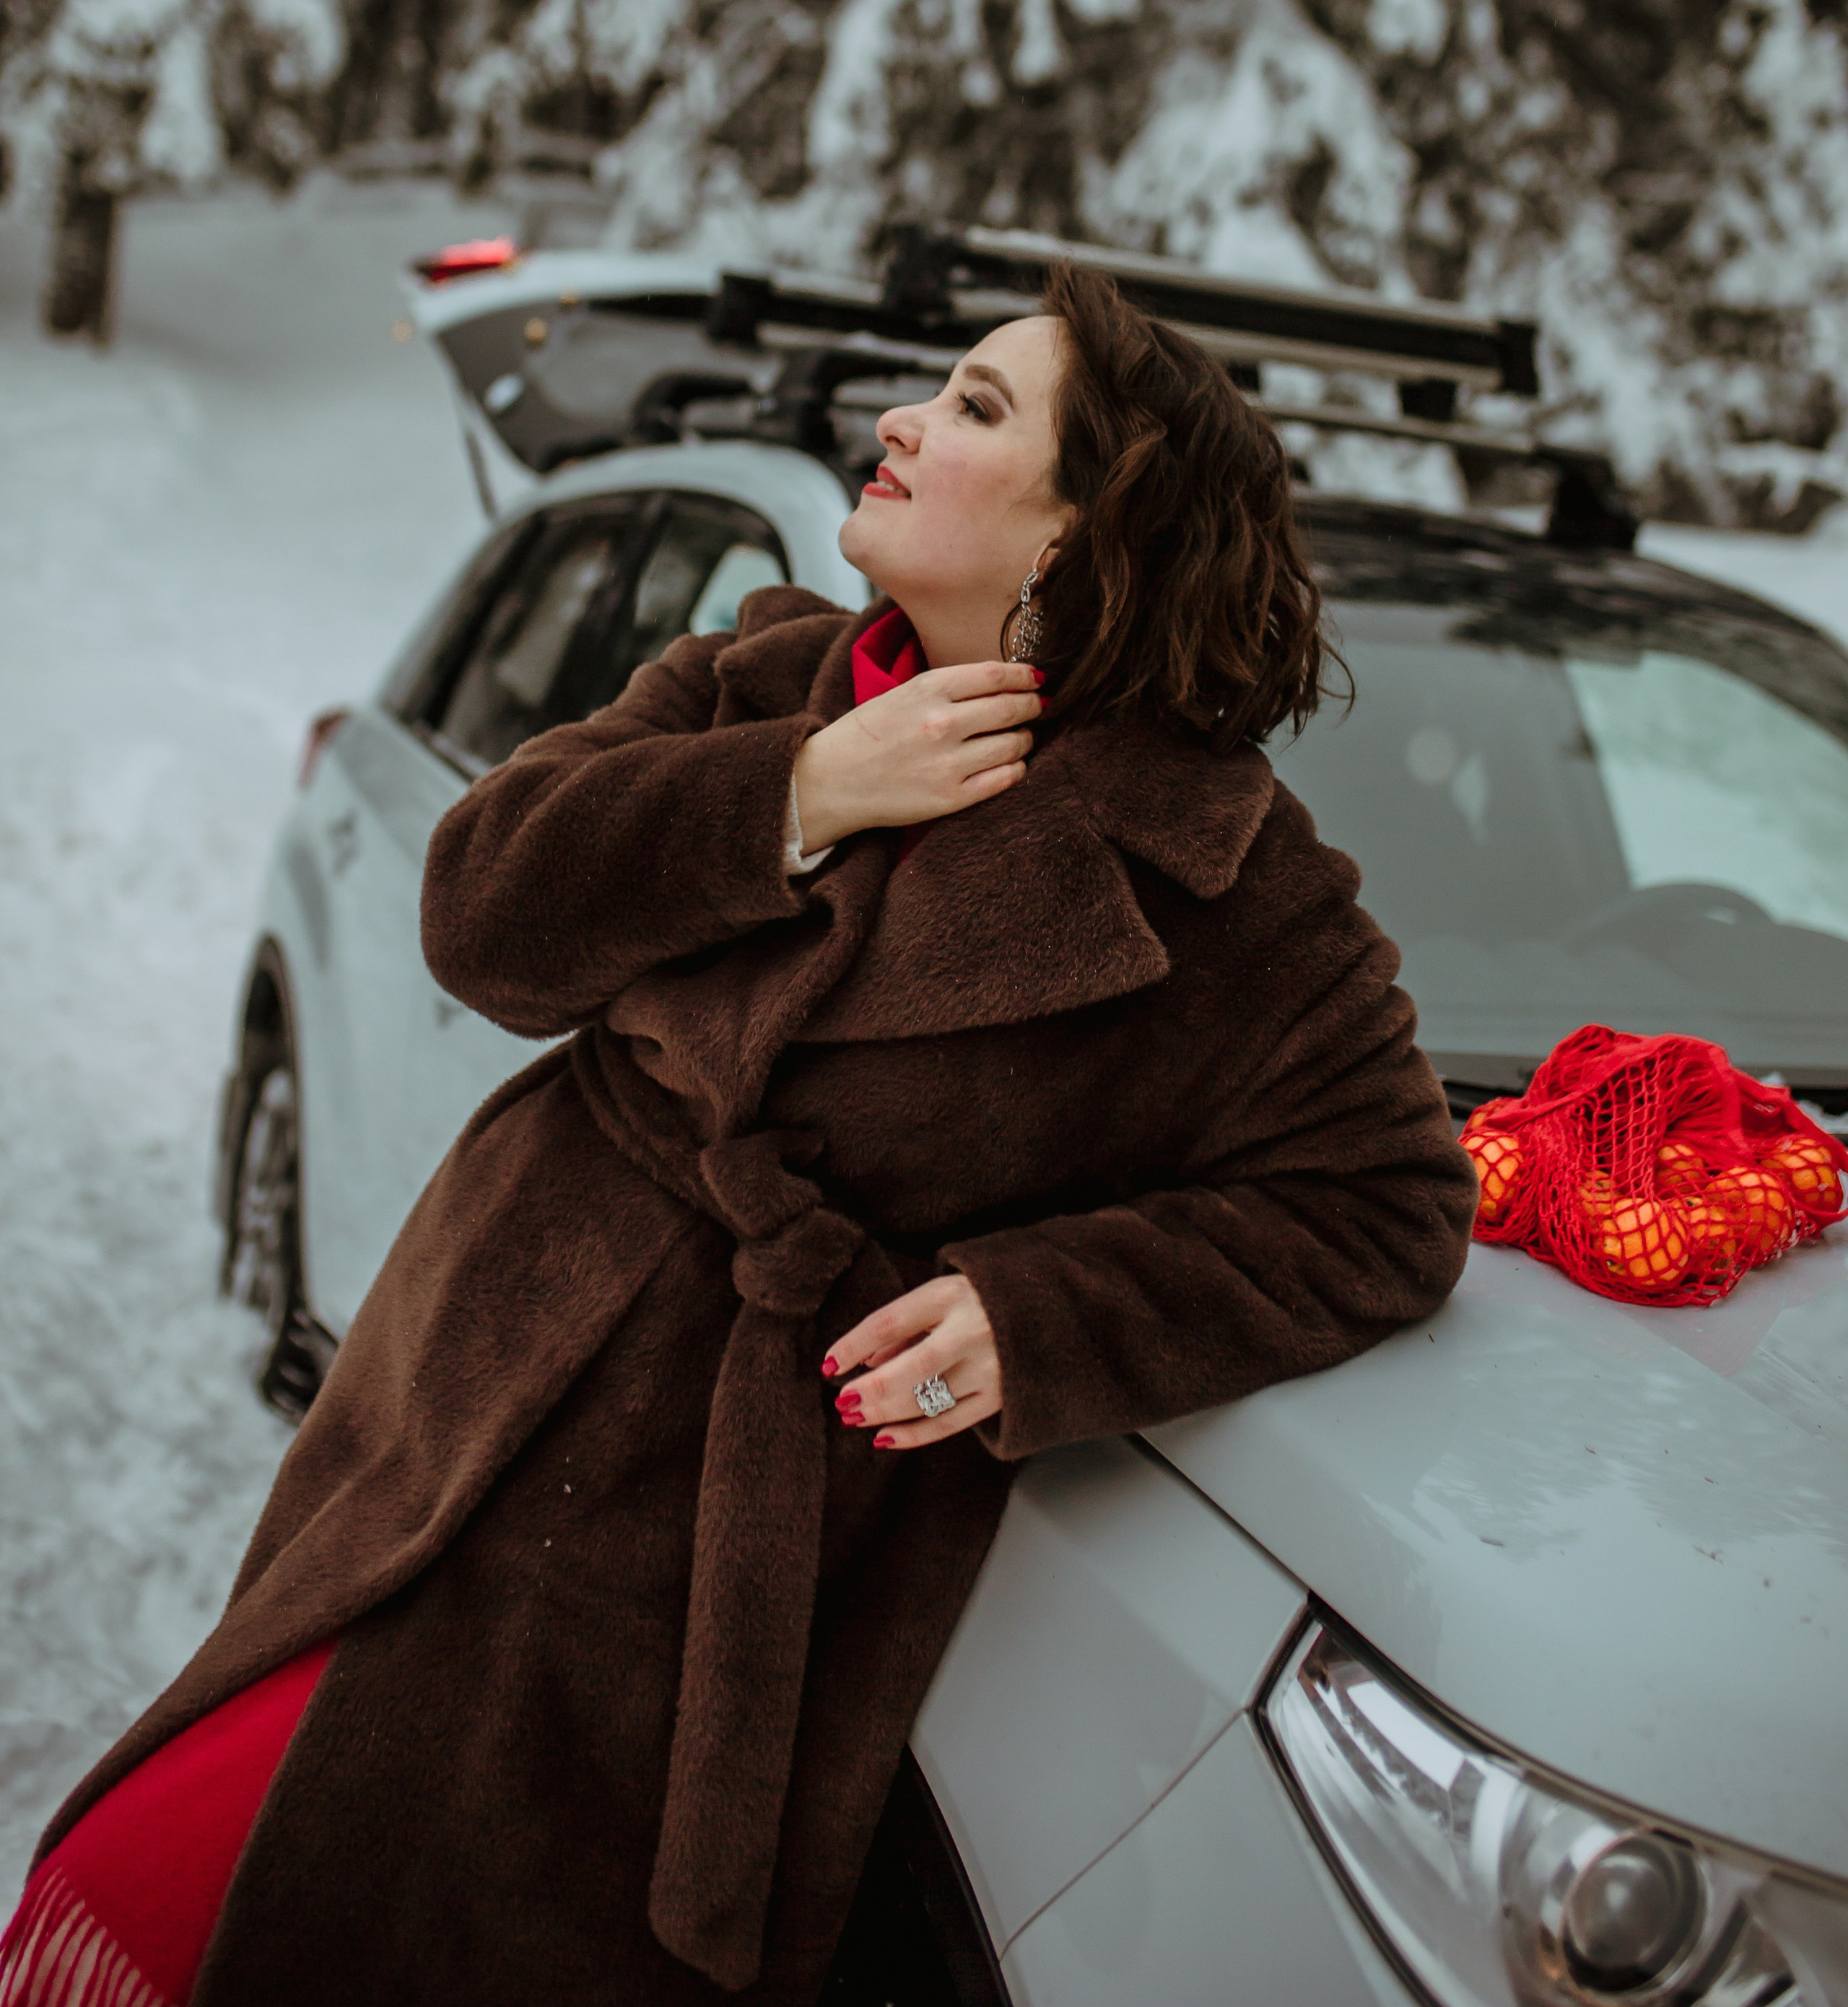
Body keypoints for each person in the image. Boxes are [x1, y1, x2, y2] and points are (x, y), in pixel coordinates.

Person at [2, 263, 1477, 2007]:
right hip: (454, 1402)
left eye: (980, 409)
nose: (902, 422)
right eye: (937, 386)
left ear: (1083, 536)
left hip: (715, 1572)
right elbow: (480, 911)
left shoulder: (1228, 880)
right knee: (163, 1886)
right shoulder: (749, 675)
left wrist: (1043, 1314)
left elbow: (1385, 1200)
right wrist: (797, 791)